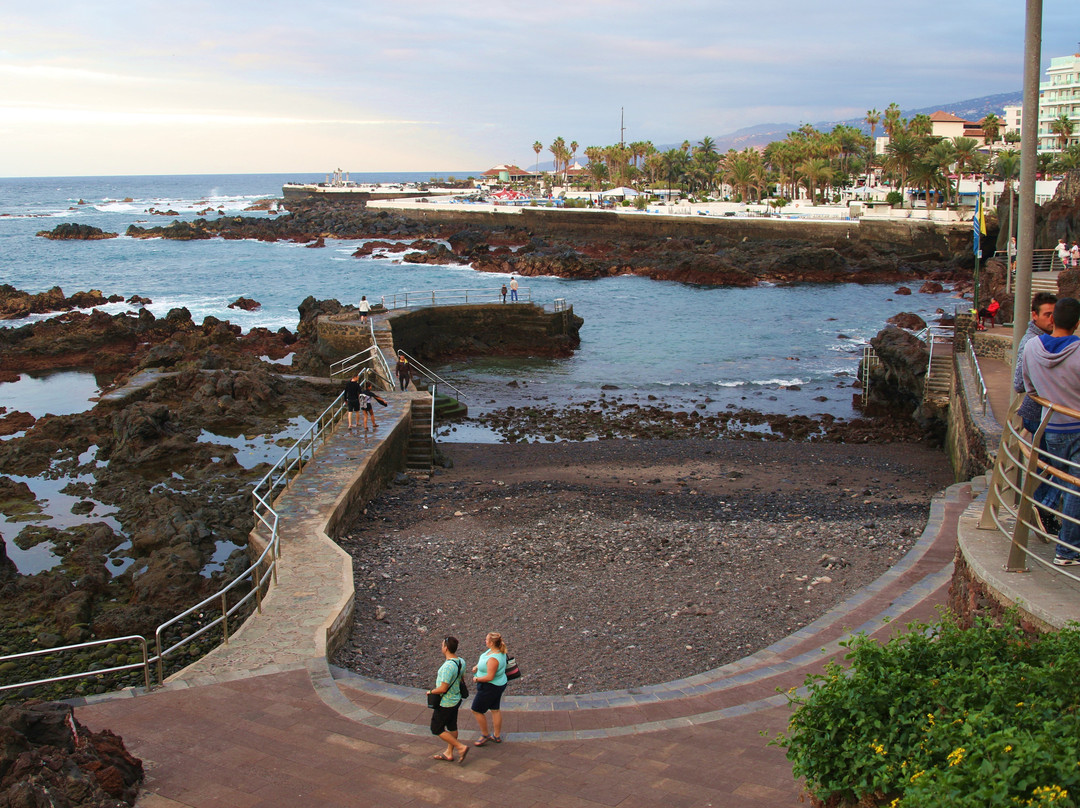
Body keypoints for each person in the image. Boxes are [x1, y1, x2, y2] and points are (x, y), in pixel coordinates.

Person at [1022, 297, 1080, 566]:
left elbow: (1028, 388)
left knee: (1067, 483)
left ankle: (1063, 542)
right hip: (1076, 427)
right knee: (1075, 489)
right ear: (1077, 323)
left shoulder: (1032, 347)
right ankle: (1067, 551)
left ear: (1053, 319)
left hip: (1051, 427)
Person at [1014, 293, 1058, 526]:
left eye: (1055, 314)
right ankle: (1043, 509)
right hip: (1038, 414)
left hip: (1044, 414)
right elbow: (1018, 383)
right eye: (1047, 314)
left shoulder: (1047, 338)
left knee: (1050, 465)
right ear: (1034, 315)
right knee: (1053, 466)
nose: (1052, 319)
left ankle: (1043, 509)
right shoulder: (1031, 342)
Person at [426, 636, 469, 764]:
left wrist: (431, 692)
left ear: (445, 648)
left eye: (442, 645)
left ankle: (461, 747)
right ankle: (449, 753)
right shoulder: (461, 661)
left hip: (446, 702)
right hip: (456, 699)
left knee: (436, 728)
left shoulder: (447, 667)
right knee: (451, 725)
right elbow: (462, 678)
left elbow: (443, 688)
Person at [470, 631, 508, 746]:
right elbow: (485, 660)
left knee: (476, 709)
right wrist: (477, 666)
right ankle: (496, 735)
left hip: (490, 687)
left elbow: (490, 677)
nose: (485, 641)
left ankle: (484, 734)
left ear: (491, 643)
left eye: (486, 640)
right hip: (499, 683)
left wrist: (477, 679)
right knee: (495, 709)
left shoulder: (493, 658)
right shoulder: (496, 651)